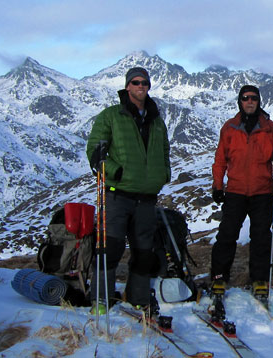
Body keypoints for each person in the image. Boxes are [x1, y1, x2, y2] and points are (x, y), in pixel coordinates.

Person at [86, 67, 170, 316]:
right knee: (109, 248)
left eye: (144, 82)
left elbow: (165, 151)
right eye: (135, 82)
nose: (140, 86)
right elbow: (94, 151)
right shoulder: (111, 116)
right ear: (127, 86)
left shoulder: (156, 120)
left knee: (144, 252)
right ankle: (101, 299)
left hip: (146, 197)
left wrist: (163, 174)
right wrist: (114, 171)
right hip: (117, 194)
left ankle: (138, 298)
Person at [210, 85, 273, 301]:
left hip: (262, 191)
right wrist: (218, 186)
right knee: (226, 236)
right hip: (235, 191)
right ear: (240, 101)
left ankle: (259, 279)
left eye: (254, 98)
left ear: (259, 101)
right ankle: (219, 277)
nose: (250, 101)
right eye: (245, 98)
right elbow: (220, 160)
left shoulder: (269, 128)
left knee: (261, 237)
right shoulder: (230, 128)